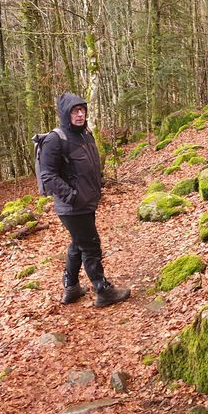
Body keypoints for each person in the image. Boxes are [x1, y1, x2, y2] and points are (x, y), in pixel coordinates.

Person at [40, 92, 131, 308]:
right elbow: (47, 175)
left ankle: (71, 288)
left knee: (78, 244)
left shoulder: (85, 134)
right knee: (91, 247)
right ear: (65, 114)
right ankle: (103, 290)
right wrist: (72, 195)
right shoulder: (55, 139)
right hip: (72, 207)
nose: (80, 114)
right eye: (74, 111)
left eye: (82, 110)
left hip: (87, 202)